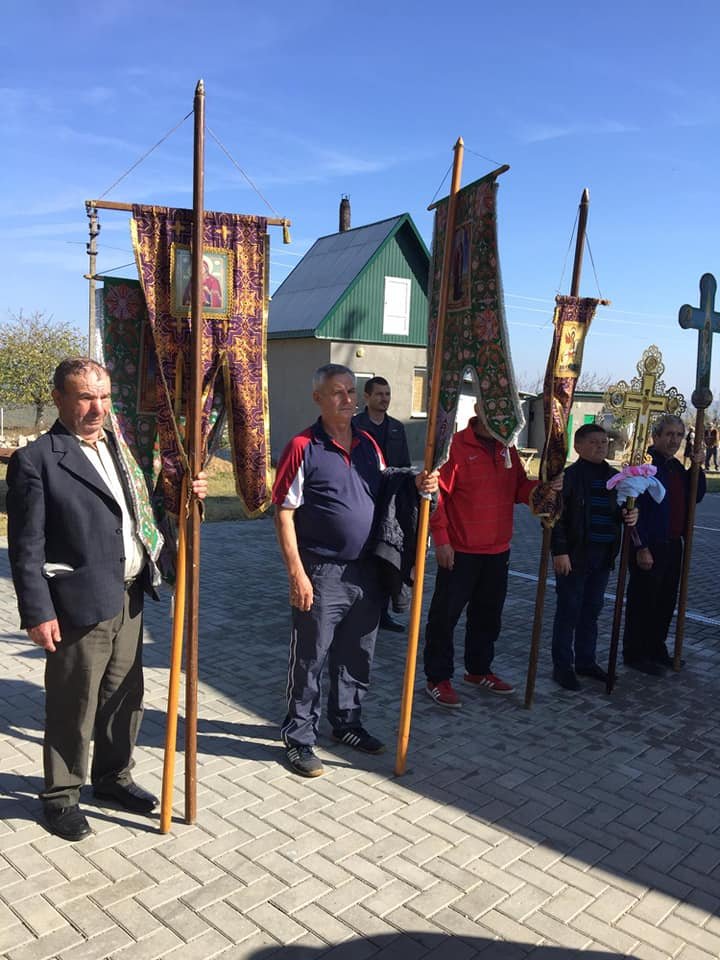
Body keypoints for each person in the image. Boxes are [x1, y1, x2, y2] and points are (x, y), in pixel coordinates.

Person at [6, 358, 208, 841]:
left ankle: (113, 779)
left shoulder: (122, 449)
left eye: (103, 397)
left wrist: (189, 491)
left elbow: (145, 508)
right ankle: (60, 797)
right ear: (59, 399)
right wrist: (37, 612)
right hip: (77, 603)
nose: (96, 408)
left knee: (125, 696)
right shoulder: (38, 460)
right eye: (84, 397)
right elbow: (26, 547)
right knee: (72, 704)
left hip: (130, 596)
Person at [272, 364, 437, 777]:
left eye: (350, 391)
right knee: (310, 657)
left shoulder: (367, 443)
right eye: (337, 393)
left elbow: (385, 484)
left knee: (357, 654)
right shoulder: (302, 446)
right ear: (318, 399)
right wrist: (297, 573)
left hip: (367, 570)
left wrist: (418, 483)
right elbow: (284, 513)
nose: (346, 399)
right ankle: (298, 736)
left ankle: (346, 722)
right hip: (322, 570)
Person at [423, 407, 563, 707]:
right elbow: (438, 497)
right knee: (444, 618)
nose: (496, 418)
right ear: (478, 411)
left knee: (488, 616)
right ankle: (437, 677)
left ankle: (478, 670)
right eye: (490, 411)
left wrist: (544, 489)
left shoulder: (507, 447)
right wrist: (442, 540)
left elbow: (519, 489)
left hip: (498, 550)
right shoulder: (455, 447)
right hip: (460, 550)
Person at [550, 424, 638, 691]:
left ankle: (586, 661)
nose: (601, 446)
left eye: (604, 442)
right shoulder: (569, 478)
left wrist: (632, 515)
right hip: (575, 555)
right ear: (578, 446)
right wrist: (560, 551)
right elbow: (556, 518)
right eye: (594, 442)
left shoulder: (615, 478)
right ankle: (562, 666)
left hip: (603, 556)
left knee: (591, 610)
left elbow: (624, 509)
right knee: (569, 611)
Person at [623, 414, 706, 675]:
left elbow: (697, 495)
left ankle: (656, 648)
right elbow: (630, 509)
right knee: (643, 601)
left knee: (665, 601)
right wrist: (640, 547)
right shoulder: (643, 466)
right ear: (655, 436)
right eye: (669, 434)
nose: (674, 440)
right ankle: (636, 653)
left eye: (679, 435)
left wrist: (697, 466)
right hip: (649, 544)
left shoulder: (676, 467)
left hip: (672, 544)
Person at [353, 376, 411, 632]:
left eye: (387, 394)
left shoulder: (397, 428)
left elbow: (406, 466)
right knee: (364, 555)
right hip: (364, 498)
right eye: (379, 394)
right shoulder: (355, 425)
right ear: (367, 397)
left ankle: (384, 613)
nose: (384, 399)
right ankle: (357, 607)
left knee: (388, 554)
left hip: (391, 502)